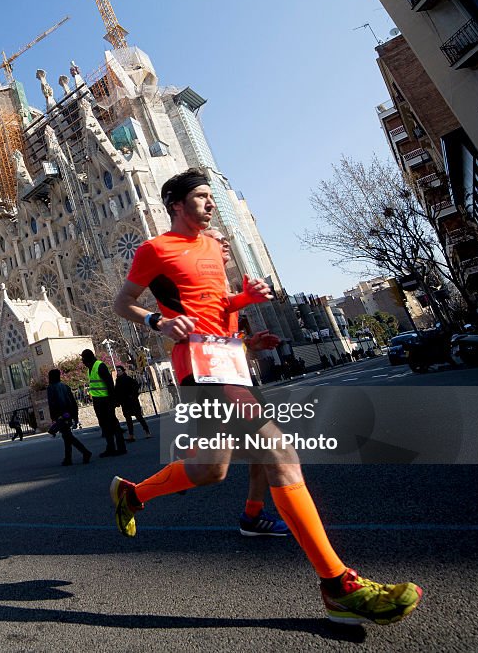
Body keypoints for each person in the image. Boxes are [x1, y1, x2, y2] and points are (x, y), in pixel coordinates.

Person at [109, 167, 421, 625]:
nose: (209, 203)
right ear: (175, 204)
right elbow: (123, 302)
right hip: (198, 361)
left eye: (211, 196)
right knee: (279, 451)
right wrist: (156, 322)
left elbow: (214, 305)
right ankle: (337, 584)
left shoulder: (215, 246)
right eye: (200, 196)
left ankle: (133, 496)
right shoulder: (155, 249)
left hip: (229, 358)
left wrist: (244, 304)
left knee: (211, 468)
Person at [202, 227, 289, 538]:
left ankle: (253, 516)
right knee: (273, 449)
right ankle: (332, 572)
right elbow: (202, 337)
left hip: (236, 375)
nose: (224, 243)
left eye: (225, 239)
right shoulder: (202, 285)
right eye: (216, 240)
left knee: (257, 453)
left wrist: (249, 343)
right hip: (221, 381)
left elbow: (222, 335)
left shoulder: (222, 282)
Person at [81, 349, 126, 457]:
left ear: (88, 358)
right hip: (98, 401)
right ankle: (110, 447)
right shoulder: (90, 369)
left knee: (113, 424)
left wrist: (113, 400)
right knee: (104, 425)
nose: (82, 360)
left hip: (106, 400)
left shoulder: (99, 366)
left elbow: (109, 383)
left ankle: (121, 448)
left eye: (83, 358)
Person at [46, 369, 92, 466]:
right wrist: (75, 416)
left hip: (60, 415)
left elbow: (52, 404)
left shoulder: (51, 388)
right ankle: (68, 458)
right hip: (68, 414)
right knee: (67, 436)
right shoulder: (65, 386)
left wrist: (54, 417)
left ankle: (85, 452)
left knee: (68, 436)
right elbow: (73, 401)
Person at [113, 366, 151, 441]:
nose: (118, 372)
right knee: (128, 419)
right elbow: (117, 392)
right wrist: (117, 401)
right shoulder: (118, 380)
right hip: (124, 403)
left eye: (119, 370)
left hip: (132, 402)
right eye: (117, 371)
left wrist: (132, 396)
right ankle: (131, 435)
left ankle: (147, 432)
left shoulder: (128, 379)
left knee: (139, 417)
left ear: (123, 371)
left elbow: (136, 386)